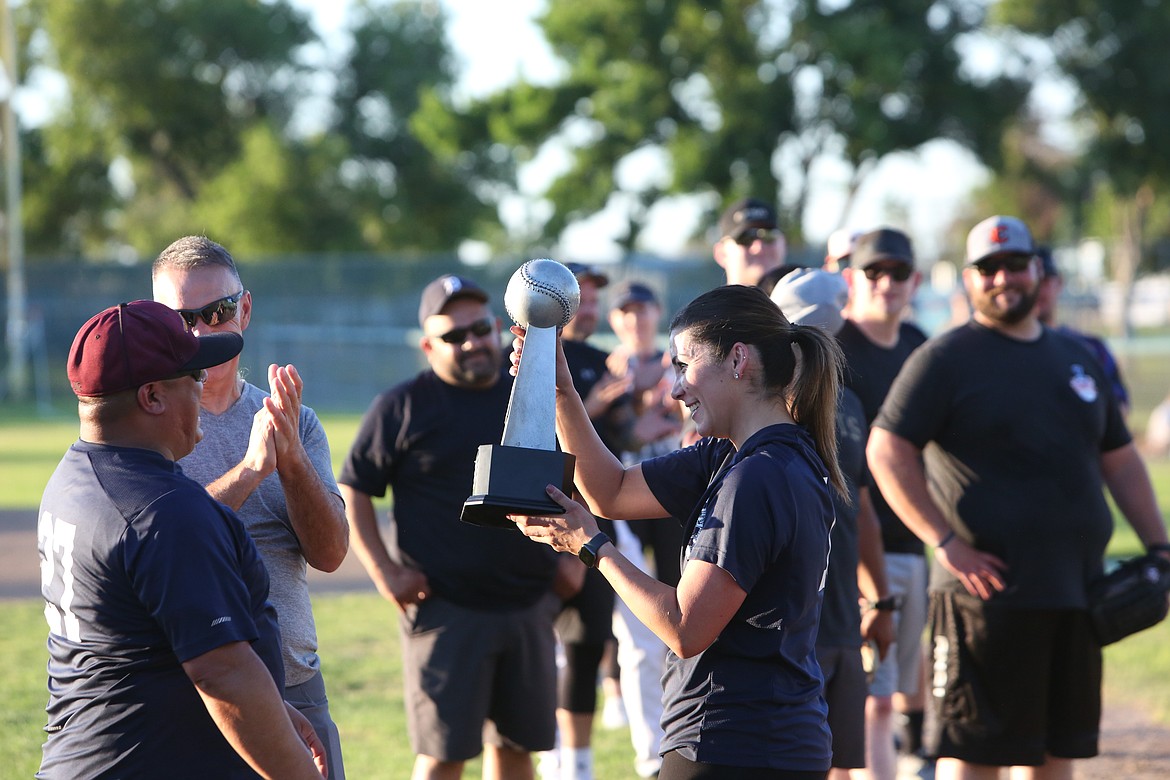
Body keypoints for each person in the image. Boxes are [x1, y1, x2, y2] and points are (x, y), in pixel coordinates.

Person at [867, 215, 1170, 780]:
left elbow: (1121, 460)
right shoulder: (946, 359)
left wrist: (1159, 546)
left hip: (1076, 592)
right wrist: (946, 541)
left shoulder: (1075, 359)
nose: (1002, 277)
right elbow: (886, 450)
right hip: (982, 599)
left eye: (1014, 264)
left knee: (1057, 753)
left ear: (1038, 271)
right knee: (975, 755)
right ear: (968, 279)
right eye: (987, 268)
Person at [511, 284, 843, 779]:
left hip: (735, 745)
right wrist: (562, 391)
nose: (676, 388)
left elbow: (685, 628)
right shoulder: (737, 455)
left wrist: (591, 546)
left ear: (737, 360)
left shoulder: (757, 476)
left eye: (685, 365)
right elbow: (611, 491)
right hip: (767, 742)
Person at [38, 300, 326, 779]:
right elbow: (223, 674)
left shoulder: (73, 476)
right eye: (193, 376)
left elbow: (154, 646)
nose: (204, 385)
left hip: (90, 751)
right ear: (152, 396)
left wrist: (272, 711)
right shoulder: (164, 511)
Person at [338, 274, 561, 780]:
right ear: (427, 346)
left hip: (527, 604)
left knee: (517, 749)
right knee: (444, 756)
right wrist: (385, 573)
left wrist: (567, 563)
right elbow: (355, 488)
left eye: (480, 329)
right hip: (446, 610)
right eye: (453, 336)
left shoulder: (528, 394)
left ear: (498, 328)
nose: (472, 343)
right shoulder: (402, 405)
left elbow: (571, 476)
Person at [152, 236, 350, 779]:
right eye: (180, 319)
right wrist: (249, 471)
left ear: (244, 308)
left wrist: (290, 460)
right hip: (190, 688)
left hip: (294, 679)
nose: (200, 333)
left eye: (216, 313)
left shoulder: (295, 420)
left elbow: (330, 553)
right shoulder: (149, 423)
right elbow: (161, 540)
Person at [771, 269, 896, 780]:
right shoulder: (765, 404)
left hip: (843, 615)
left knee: (840, 763)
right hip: (794, 623)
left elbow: (859, 506)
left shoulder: (851, 402)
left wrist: (881, 599)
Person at [837, 227, 930, 779]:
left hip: (911, 536)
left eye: (898, 273)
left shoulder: (921, 346)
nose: (887, 283)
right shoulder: (837, 348)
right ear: (853, 278)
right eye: (875, 272)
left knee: (896, 683)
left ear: (914, 280)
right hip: (852, 541)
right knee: (868, 691)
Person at [1034, 245, 1131, 417]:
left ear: (1059, 283)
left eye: (1045, 281)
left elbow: (1119, 409)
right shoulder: (1002, 350)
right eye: (1033, 282)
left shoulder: (1089, 348)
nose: (1037, 290)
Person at [713, 198, 787, 287]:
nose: (759, 248)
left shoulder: (805, 299)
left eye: (769, 236)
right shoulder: (706, 301)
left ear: (783, 244)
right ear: (721, 254)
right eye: (746, 239)